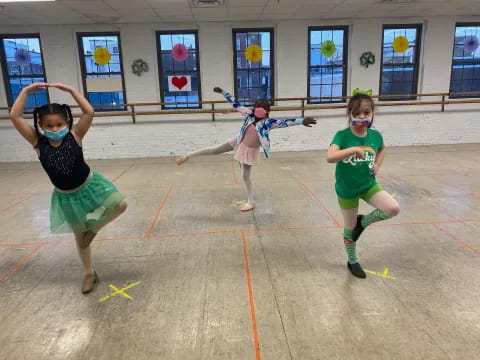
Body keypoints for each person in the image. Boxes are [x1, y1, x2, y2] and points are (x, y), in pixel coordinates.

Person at [9, 82, 128, 293]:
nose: (54, 129)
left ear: (67, 122)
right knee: (80, 241)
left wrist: (72, 91)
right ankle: (89, 273)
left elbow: (89, 111)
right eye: (49, 126)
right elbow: (15, 117)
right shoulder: (38, 143)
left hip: (90, 185)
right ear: (41, 125)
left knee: (120, 204)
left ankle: (94, 228)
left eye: (58, 125)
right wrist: (25, 92)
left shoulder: (75, 136)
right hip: (67, 196)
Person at [176, 87, 316, 211]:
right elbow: (235, 103)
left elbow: (286, 122)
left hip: (249, 150)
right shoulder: (248, 114)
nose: (259, 110)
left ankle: (251, 201)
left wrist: (301, 121)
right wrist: (224, 92)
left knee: (245, 176)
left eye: (262, 108)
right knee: (215, 150)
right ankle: (187, 156)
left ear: (267, 111)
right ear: (254, 108)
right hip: (238, 142)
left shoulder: (268, 123)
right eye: (257, 107)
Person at [326, 91, 400, 278]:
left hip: (368, 185)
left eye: (366, 113)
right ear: (350, 114)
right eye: (357, 113)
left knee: (392, 208)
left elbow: (382, 149)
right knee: (349, 228)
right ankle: (352, 260)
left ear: (372, 114)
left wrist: (378, 164)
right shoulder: (342, 136)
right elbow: (330, 157)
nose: (361, 117)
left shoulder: (375, 136)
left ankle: (364, 221)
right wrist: (351, 150)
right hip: (347, 189)